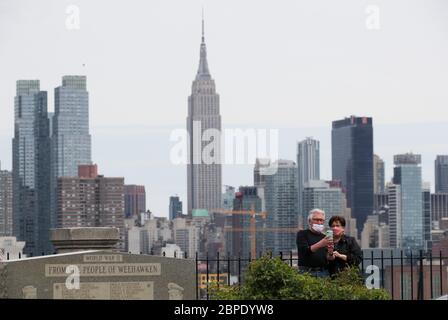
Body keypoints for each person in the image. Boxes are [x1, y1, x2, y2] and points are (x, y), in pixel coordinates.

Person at [296, 209, 333, 278]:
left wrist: (330, 252)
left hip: (323, 272)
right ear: (310, 221)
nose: (319, 222)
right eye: (316, 220)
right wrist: (321, 243)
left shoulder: (325, 237)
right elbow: (305, 251)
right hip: (307, 272)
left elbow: (329, 258)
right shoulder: (302, 234)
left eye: (321, 220)